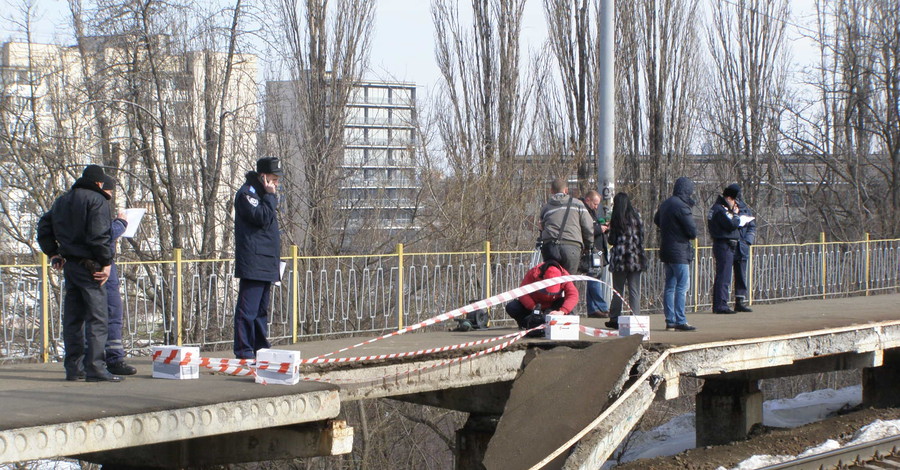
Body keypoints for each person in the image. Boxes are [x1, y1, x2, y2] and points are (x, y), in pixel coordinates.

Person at [37, 165, 124, 382]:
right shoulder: (97, 201)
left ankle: (74, 369)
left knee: (73, 319)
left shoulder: (62, 201)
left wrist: (53, 253)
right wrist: (105, 262)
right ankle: (95, 368)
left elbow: (43, 227)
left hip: (70, 266)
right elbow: (98, 237)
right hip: (91, 266)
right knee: (97, 318)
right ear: (98, 183)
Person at [233, 156, 283, 359]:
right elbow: (260, 217)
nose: (276, 184)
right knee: (248, 310)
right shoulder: (247, 194)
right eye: (274, 179)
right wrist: (270, 197)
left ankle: (260, 348)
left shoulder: (264, 197)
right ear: (264, 177)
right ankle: (244, 351)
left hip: (267, 261)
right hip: (253, 261)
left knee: (261, 311)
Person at [100, 176, 137, 376]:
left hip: (76, 265)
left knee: (84, 316)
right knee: (112, 313)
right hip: (101, 265)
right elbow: (103, 235)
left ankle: (83, 362)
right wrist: (121, 223)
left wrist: (54, 253)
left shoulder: (67, 203)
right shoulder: (97, 206)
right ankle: (113, 359)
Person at [654, 177, 698, 332]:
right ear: (687, 190)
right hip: (679, 251)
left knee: (670, 286)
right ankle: (681, 320)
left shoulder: (666, 204)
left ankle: (670, 320)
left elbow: (656, 220)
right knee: (682, 286)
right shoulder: (682, 207)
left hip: (666, 249)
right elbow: (692, 231)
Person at [604, 192, 647, 330]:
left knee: (618, 290)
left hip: (620, 258)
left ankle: (614, 317)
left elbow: (612, 240)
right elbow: (642, 236)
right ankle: (636, 317)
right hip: (636, 257)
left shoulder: (617, 219)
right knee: (634, 290)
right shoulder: (637, 217)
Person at [505, 260, 579, 338]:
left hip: (552, 306)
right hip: (534, 305)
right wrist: (533, 307)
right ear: (543, 277)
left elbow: (573, 294)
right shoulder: (533, 274)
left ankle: (551, 325)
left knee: (567, 306)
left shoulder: (564, 276)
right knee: (512, 307)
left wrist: (562, 311)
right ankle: (526, 324)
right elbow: (523, 292)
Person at [539, 177, 593, 276]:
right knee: (569, 283)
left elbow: (541, 228)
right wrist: (589, 245)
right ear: (566, 190)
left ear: (551, 191)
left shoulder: (546, 208)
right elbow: (588, 227)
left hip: (550, 248)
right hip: (572, 247)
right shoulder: (578, 204)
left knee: (553, 282)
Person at [707, 184, 744, 314]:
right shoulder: (720, 210)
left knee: (723, 275)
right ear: (729, 198)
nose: (735, 203)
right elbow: (731, 224)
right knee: (724, 276)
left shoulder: (717, 209)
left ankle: (720, 303)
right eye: (734, 200)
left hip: (724, 244)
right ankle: (721, 305)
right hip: (724, 244)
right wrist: (736, 215)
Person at [580, 190, 610, 318]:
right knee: (594, 278)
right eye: (595, 204)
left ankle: (593, 309)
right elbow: (586, 229)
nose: (596, 207)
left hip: (597, 250)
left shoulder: (590, 212)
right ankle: (602, 306)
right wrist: (599, 229)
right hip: (592, 251)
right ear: (588, 200)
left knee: (594, 277)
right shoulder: (584, 211)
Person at [729, 183, 757, 312]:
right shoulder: (724, 207)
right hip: (729, 245)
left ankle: (740, 301)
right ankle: (721, 302)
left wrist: (748, 241)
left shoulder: (744, 208)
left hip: (742, 245)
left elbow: (752, 225)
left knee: (741, 274)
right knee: (725, 276)